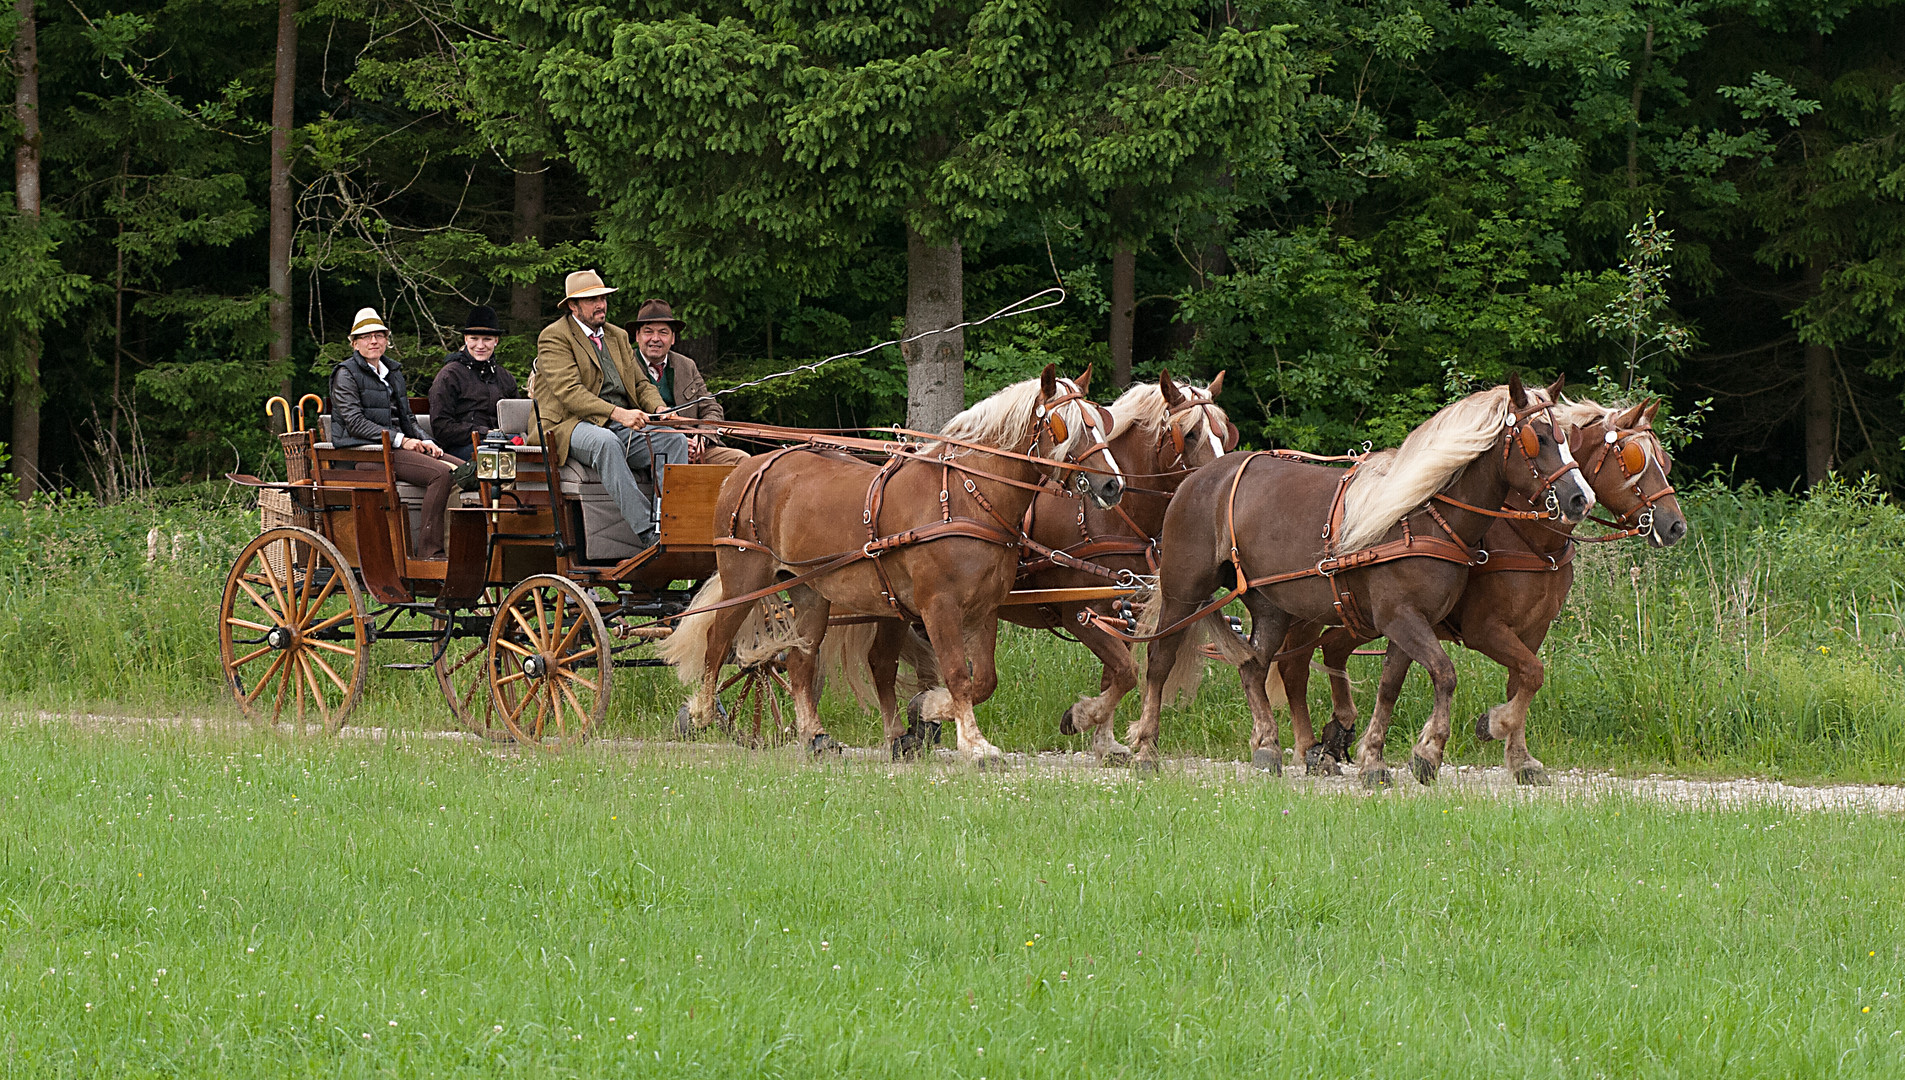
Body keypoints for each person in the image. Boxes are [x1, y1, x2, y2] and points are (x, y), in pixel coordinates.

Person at [531, 269, 690, 550]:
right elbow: (570, 393)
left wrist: (660, 408)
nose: (600, 305)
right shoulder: (554, 337)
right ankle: (647, 532)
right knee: (606, 442)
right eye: (592, 300)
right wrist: (619, 414)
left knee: (673, 439)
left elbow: (640, 383)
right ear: (573, 306)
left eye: (603, 298)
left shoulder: (616, 336)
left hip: (617, 422)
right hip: (567, 425)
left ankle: (669, 524)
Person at [329, 307, 455, 560]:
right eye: (365, 336)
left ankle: (458, 546)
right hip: (364, 455)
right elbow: (354, 423)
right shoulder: (345, 374)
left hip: (393, 449)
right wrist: (402, 440)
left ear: (387, 339)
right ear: (354, 343)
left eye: (378, 335)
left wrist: (426, 440)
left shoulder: (392, 372)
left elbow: (407, 418)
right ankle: (430, 554)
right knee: (440, 474)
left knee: (464, 470)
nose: (373, 341)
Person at [626, 298, 749, 467]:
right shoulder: (624, 365)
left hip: (697, 449)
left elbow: (711, 408)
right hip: (652, 449)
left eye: (663, 332)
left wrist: (702, 438)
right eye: (648, 332)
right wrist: (679, 443)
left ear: (673, 338)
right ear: (638, 336)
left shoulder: (687, 365)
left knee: (743, 461)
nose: (655, 338)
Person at [428, 305, 520, 460]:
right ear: (466, 339)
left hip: (503, 444)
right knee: (497, 456)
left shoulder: (505, 377)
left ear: (496, 341)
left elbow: (517, 419)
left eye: (487, 339)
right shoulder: (449, 375)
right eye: (474, 338)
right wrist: (485, 433)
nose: (480, 345)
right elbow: (442, 427)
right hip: (461, 448)